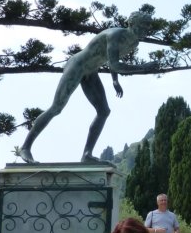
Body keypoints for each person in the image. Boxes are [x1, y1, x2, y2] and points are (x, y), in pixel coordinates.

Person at [19, 10, 156, 164]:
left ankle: (87, 154)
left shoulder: (133, 43)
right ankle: (25, 147)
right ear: (131, 24)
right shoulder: (115, 35)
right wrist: (143, 67)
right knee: (56, 108)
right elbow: (115, 64)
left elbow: (111, 59)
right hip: (77, 66)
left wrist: (115, 80)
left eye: (147, 27)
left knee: (103, 111)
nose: (145, 30)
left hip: (91, 71)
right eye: (142, 26)